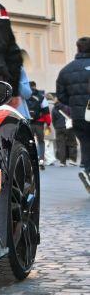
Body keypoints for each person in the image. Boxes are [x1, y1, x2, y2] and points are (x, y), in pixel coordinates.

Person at [55, 36, 90, 192]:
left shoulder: (66, 70)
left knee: (86, 143)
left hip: (78, 115)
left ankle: (88, 171)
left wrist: (75, 104)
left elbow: (61, 96)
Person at [25, 80, 51, 167]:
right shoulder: (41, 97)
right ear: (35, 86)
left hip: (28, 123)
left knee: (29, 141)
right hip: (39, 123)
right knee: (41, 142)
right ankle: (41, 160)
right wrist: (48, 123)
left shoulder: (25, 96)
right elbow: (46, 112)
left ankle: (30, 159)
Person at [52, 97, 77, 167]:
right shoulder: (68, 106)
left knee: (61, 145)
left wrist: (56, 127)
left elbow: (53, 119)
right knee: (72, 143)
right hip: (68, 127)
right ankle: (72, 160)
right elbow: (73, 116)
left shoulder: (54, 108)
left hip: (58, 128)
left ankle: (62, 162)